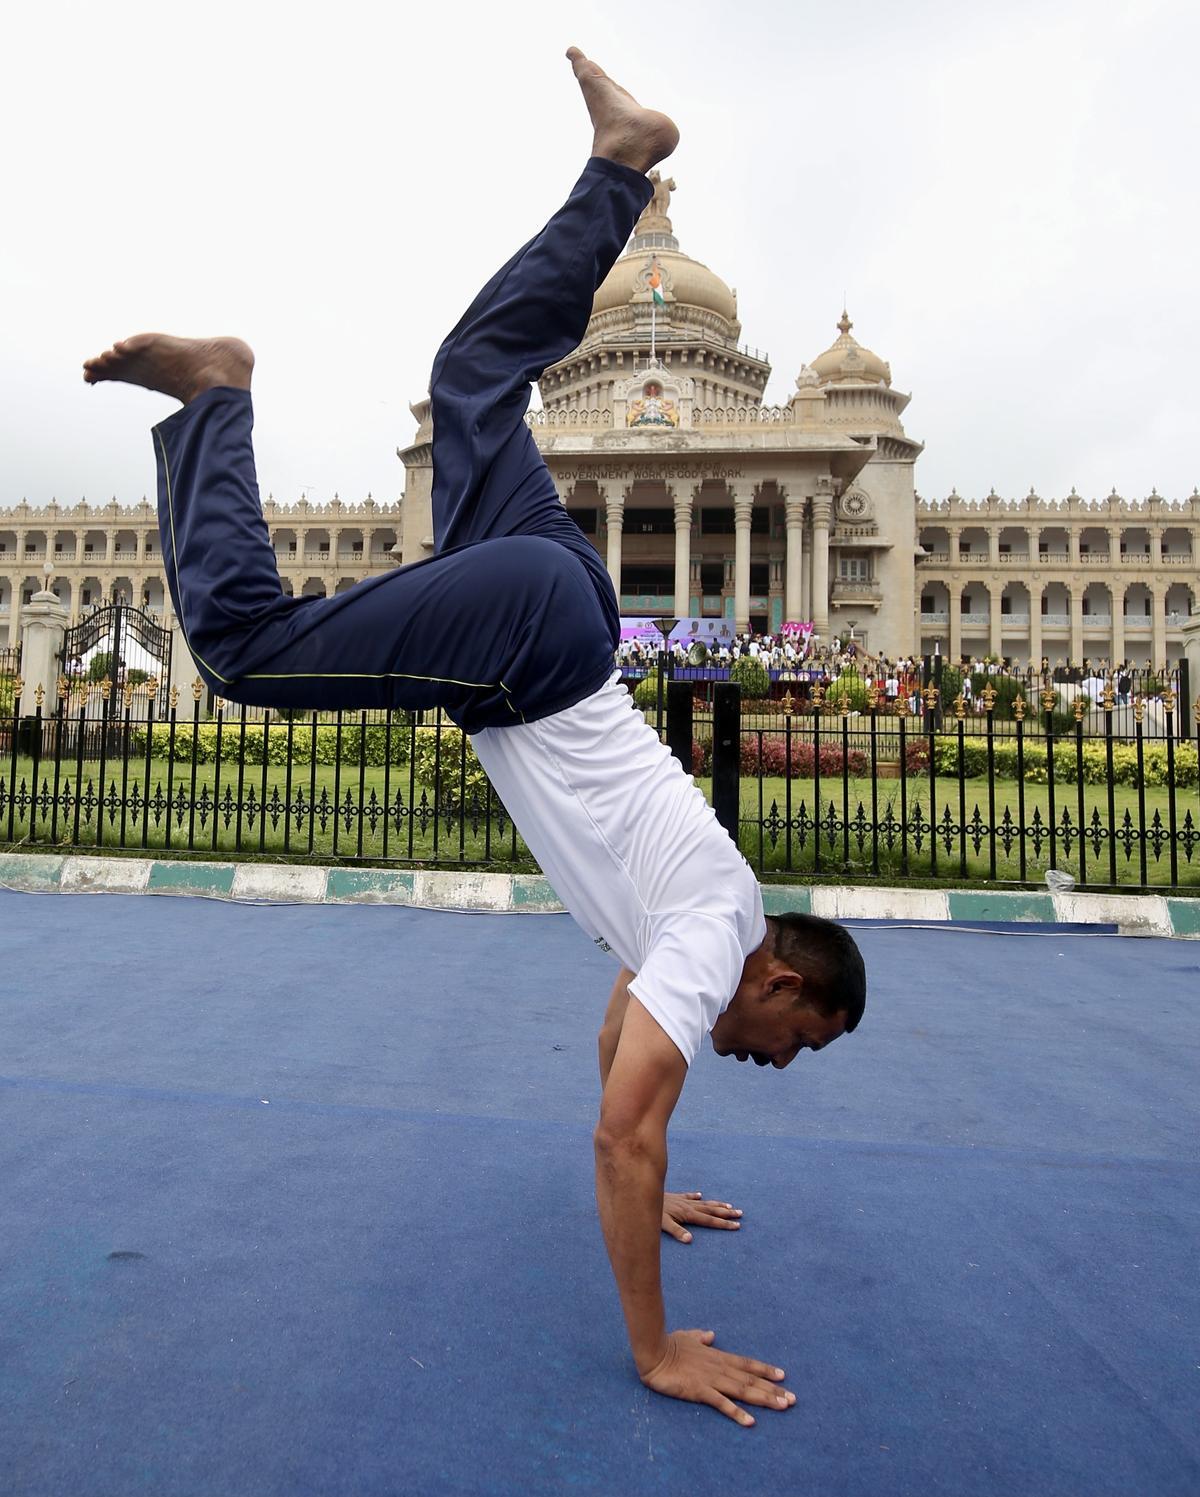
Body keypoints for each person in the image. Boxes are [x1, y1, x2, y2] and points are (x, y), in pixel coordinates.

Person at [82, 47, 866, 1429]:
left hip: (555, 594)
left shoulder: (701, 913)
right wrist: (657, 1342)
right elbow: (622, 1122)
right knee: (247, 646)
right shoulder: (706, 939)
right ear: (786, 985)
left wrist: (657, 1161)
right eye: (791, 1044)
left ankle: (618, 170)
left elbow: (633, 1041)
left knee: (470, 381)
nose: (769, 1062)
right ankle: (218, 395)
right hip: (533, 654)